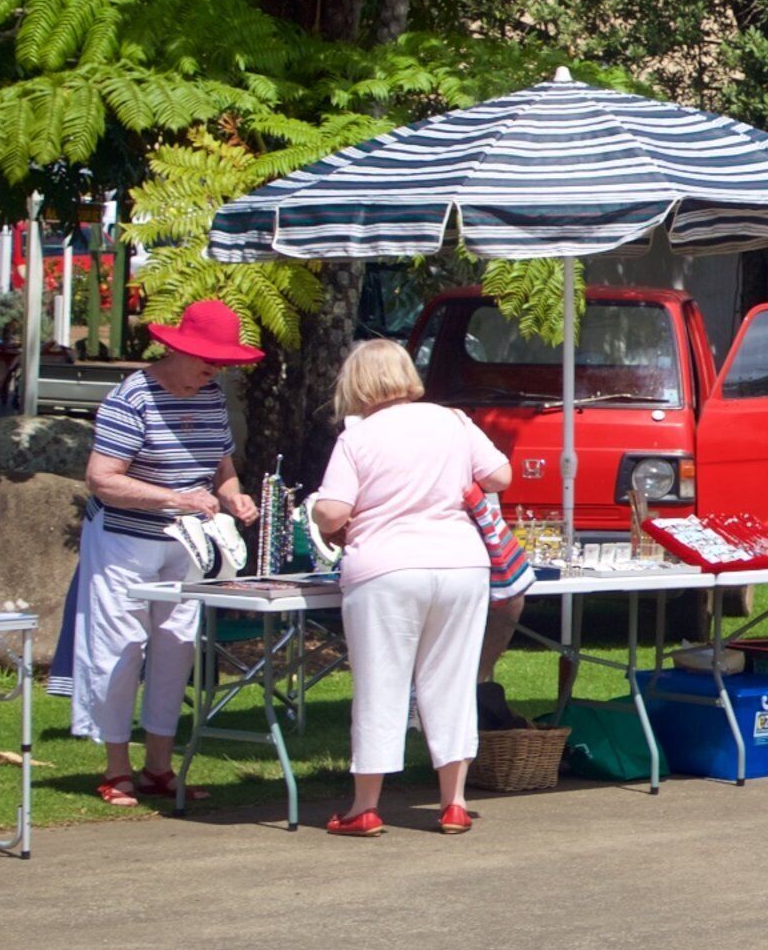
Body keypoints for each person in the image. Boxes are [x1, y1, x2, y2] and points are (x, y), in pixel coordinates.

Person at [309, 341, 513, 837]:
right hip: (460, 563)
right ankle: (454, 803)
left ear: (357, 384)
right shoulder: (454, 421)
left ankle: (365, 806)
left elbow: (333, 512)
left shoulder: (358, 438)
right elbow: (500, 476)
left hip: (387, 568)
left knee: (381, 683)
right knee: (452, 682)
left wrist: (318, 510)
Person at [63, 298, 260, 808]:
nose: (213, 370)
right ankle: (115, 767)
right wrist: (174, 497)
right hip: (125, 539)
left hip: (186, 539)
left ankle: (158, 766)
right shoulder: (132, 398)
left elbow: (221, 466)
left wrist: (233, 495)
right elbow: (102, 479)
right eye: (207, 360)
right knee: (120, 645)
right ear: (178, 349)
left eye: (221, 362)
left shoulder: (211, 396)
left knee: (176, 645)